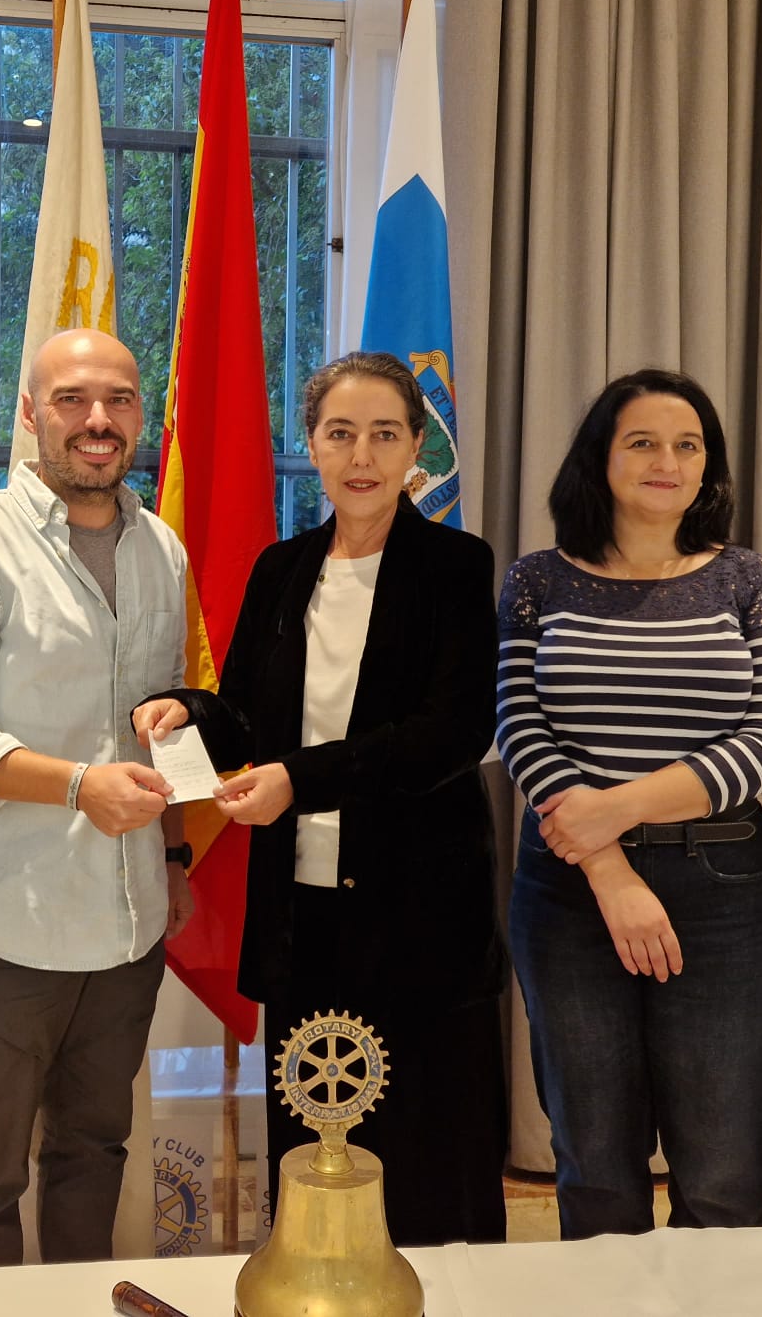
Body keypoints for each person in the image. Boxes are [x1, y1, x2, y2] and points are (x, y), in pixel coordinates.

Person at [135, 350, 508, 1247]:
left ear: (418, 447)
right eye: (340, 433)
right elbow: (256, 722)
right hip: (303, 916)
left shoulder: (457, 566)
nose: (362, 454)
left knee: (426, 1164)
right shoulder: (282, 567)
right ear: (312, 445)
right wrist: (185, 711)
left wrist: (300, 781)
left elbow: (451, 735)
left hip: (419, 916)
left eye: (386, 433)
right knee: (314, 1143)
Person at [0, 327, 194, 1269]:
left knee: (93, 1152)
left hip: (131, 922)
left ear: (141, 416)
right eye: (71, 399)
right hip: (3, 930)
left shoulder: (163, 548)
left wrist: (176, 856)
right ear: (30, 413)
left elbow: (169, 716)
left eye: (119, 400)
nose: (97, 420)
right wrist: (75, 786)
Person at [497, 369, 762, 1238]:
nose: (667, 461)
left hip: (727, 890)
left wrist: (616, 808)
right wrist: (606, 864)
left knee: (725, 1167)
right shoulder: (537, 581)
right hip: (569, 890)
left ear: (709, 466)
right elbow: (521, 728)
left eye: (688, 445)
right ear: (601, 456)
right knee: (594, 1162)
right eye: (642, 442)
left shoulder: (751, 580)